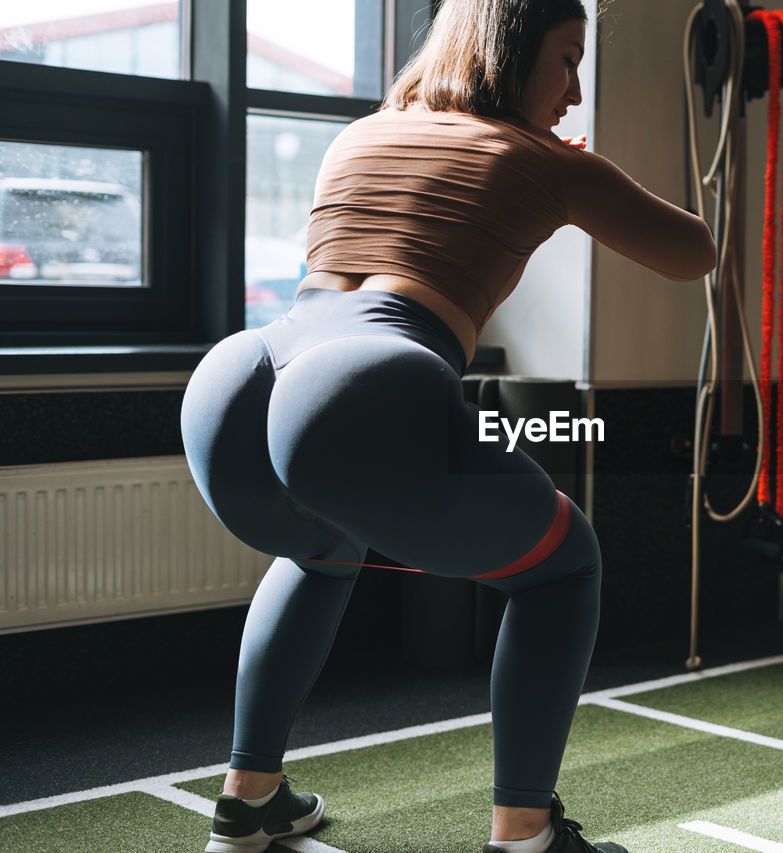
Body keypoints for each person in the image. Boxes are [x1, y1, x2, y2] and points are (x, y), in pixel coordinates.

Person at [181, 1, 716, 851]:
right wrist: (584, 177)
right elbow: (694, 252)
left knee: (320, 551)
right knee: (563, 568)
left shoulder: (361, 133)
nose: (574, 92)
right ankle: (526, 834)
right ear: (513, 53)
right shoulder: (541, 158)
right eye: (569, 60)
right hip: (360, 387)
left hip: (237, 386)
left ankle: (250, 797)